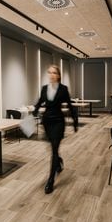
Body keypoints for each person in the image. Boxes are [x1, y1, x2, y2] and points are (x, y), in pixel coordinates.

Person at [33, 65, 78, 194]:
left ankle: (50, 181)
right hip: (46, 122)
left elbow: (70, 105)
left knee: (54, 149)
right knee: (53, 148)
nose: (51, 75)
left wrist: (75, 122)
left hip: (58, 122)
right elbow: (39, 102)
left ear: (58, 75)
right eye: (49, 72)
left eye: (54, 73)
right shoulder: (44, 89)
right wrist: (33, 113)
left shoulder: (63, 89)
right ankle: (58, 161)